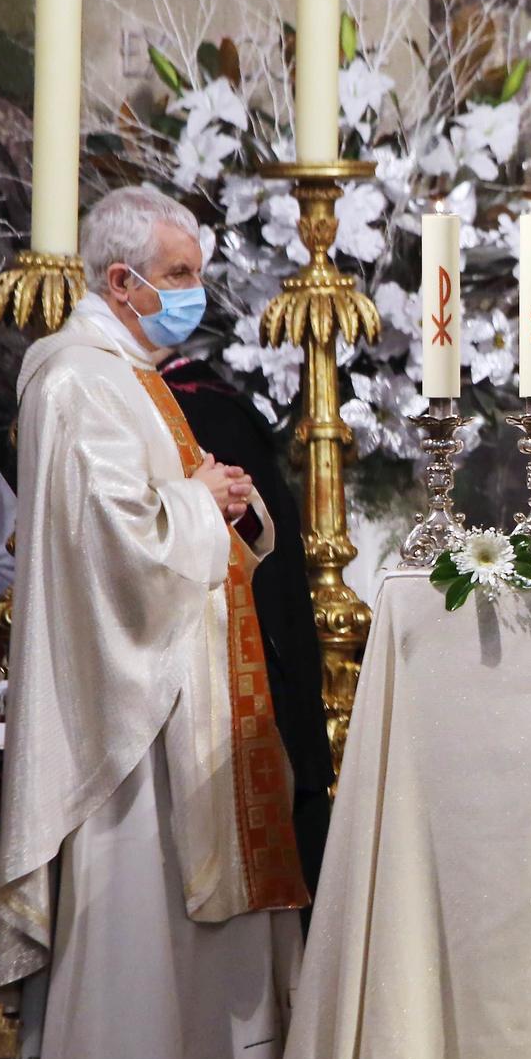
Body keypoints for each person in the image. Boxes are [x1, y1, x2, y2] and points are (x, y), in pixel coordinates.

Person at [0, 185, 307, 1059]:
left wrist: (225, 502)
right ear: (122, 281)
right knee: (140, 880)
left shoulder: (128, 373)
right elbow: (108, 542)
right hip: (131, 706)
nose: (195, 293)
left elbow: (162, 509)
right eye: (178, 276)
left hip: (180, 674)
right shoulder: (74, 379)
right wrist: (195, 501)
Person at [160, 356, 331, 899]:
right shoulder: (214, 403)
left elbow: (254, 521)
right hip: (258, 635)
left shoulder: (192, 407)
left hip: (239, 641)